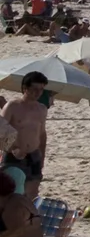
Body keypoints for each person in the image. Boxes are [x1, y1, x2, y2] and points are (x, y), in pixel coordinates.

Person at [5, 73, 51, 201]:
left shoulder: (42, 109)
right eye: (34, 89)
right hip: (14, 155)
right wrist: (13, 148)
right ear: (25, 88)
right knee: (14, 194)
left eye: (41, 89)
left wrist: (42, 156)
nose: (38, 93)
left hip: (34, 154)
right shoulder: (13, 106)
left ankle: (27, 220)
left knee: (32, 194)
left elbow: (42, 134)